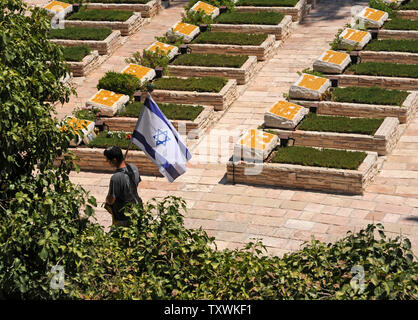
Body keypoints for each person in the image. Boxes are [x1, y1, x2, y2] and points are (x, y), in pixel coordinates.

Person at [103, 146, 142, 227]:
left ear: (114, 160)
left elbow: (111, 200)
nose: (107, 162)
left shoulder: (116, 178)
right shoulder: (133, 167)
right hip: (138, 208)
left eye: (108, 160)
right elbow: (136, 183)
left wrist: (107, 199)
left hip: (123, 216)